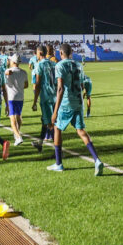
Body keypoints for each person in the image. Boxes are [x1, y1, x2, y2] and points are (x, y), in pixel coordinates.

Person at [47, 43, 104, 175]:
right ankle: (97, 160)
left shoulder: (60, 65)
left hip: (66, 103)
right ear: (71, 52)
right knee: (80, 130)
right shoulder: (78, 65)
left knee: (57, 128)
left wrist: (55, 112)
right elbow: (82, 84)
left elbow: (60, 89)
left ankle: (58, 163)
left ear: (61, 53)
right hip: (79, 102)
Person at [30, 45, 57, 153]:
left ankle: (58, 153)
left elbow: (37, 84)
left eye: (36, 53)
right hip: (54, 97)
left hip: (46, 98)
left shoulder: (39, 65)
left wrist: (34, 101)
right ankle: (40, 144)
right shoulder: (53, 64)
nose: (36, 55)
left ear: (40, 53)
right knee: (45, 121)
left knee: (51, 124)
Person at [4, 54, 28, 145]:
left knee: (12, 118)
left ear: (13, 62)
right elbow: (26, 85)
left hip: (11, 97)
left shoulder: (8, 71)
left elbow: (3, 77)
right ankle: (17, 133)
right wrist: (19, 87)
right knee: (18, 116)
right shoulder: (24, 72)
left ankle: (18, 136)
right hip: (20, 96)